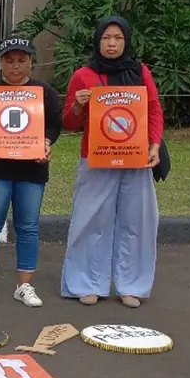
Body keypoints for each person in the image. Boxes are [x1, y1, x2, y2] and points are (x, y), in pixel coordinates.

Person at [60, 16, 164, 307]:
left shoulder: (140, 72)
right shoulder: (83, 75)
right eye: (106, 38)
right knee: (90, 220)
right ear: (97, 41)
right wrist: (78, 105)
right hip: (96, 159)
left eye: (118, 38)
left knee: (137, 221)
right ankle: (86, 283)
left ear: (126, 41)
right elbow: (68, 122)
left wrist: (155, 144)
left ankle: (131, 285)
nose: (112, 43)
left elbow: (154, 110)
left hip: (136, 158)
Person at [0, 36, 63, 307]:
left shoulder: (44, 92)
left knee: (28, 227)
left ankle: (25, 286)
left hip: (32, 169)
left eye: (21, 60)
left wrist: (46, 143)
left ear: (31, 62)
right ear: (0, 63)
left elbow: (54, 125)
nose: (15, 66)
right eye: (9, 60)